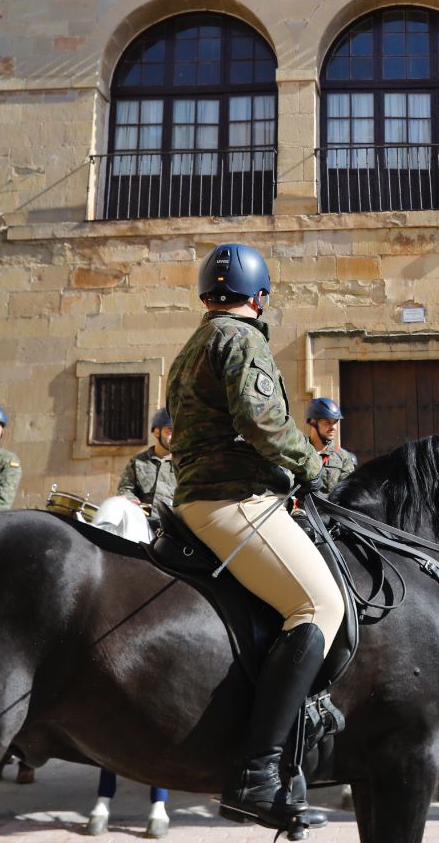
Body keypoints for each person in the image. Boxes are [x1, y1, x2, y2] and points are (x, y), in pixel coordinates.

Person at [168, 242, 336, 832]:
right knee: (318, 604)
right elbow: (263, 421)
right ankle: (258, 776)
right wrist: (312, 465)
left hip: (197, 498)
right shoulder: (242, 339)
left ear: (206, 295)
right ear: (259, 297)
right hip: (234, 499)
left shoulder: (193, 345)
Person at [120, 408, 178, 516]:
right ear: (157, 432)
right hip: (142, 524)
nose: (175, 436)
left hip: (173, 527)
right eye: (170, 430)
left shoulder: (183, 464)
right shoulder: (138, 462)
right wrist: (131, 500)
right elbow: (125, 490)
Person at [307, 397, 356, 493]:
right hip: (301, 507)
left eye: (335, 422)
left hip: (328, 507)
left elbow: (345, 494)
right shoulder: (298, 451)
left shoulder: (343, 457)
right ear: (313, 422)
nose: (333, 427)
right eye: (327, 422)